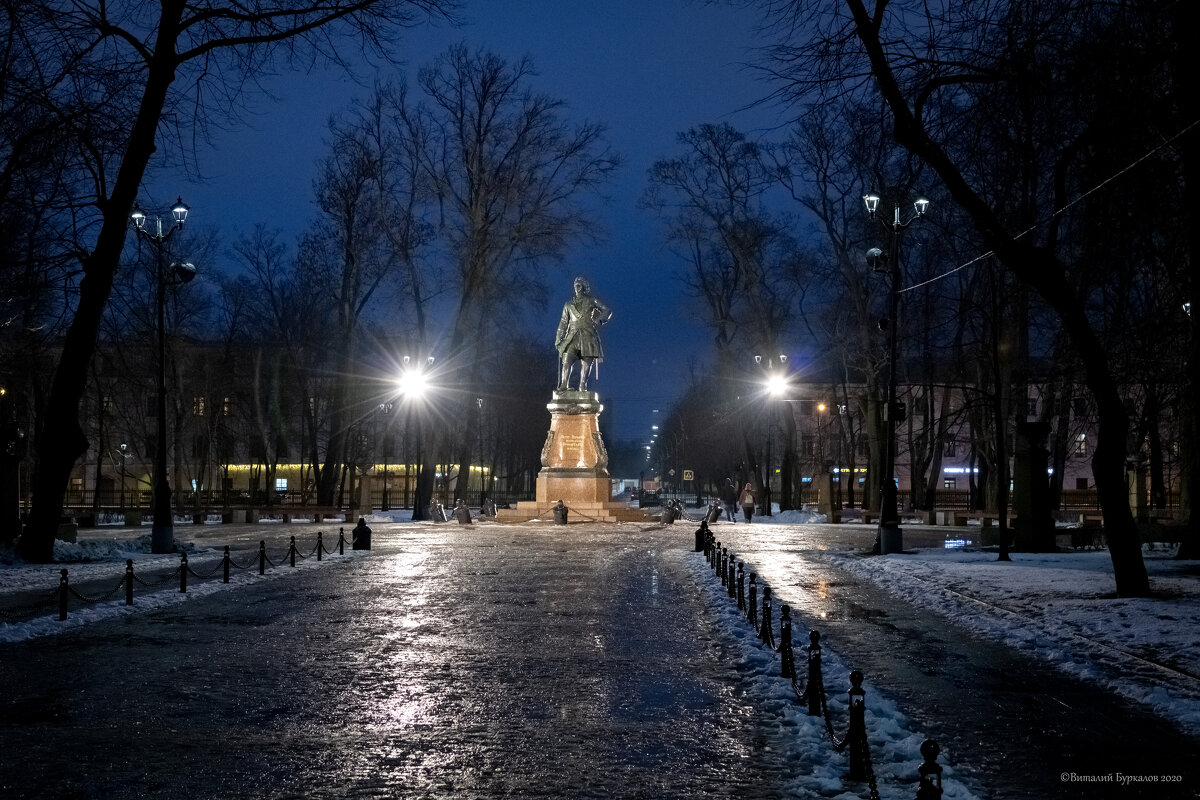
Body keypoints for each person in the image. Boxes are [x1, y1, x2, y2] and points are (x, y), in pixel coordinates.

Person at [555, 276, 612, 391]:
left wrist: (598, 320)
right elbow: (563, 323)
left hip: (588, 335)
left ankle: (582, 386)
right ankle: (563, 385)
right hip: (572, 336)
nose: (577, 286)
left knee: (586, 363)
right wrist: (558, 339)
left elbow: (607, 310)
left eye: (579, 284)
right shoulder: (568, 304)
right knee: (567, 359)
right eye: (575, 284)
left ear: (584, 287)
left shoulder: (591, 300)